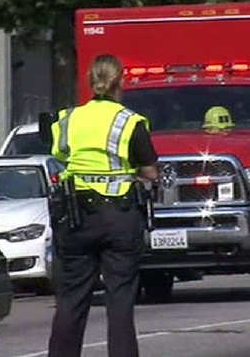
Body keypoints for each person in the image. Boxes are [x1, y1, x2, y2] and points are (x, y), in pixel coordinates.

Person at [48, 54, 158, 357]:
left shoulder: (68, 119)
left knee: (71, 299)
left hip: (76, 216)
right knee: (120, 300)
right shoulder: (129, 121)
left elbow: (59, 153)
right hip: (119, 216)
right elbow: (150, 171)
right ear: (120, 80)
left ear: (89, 81)